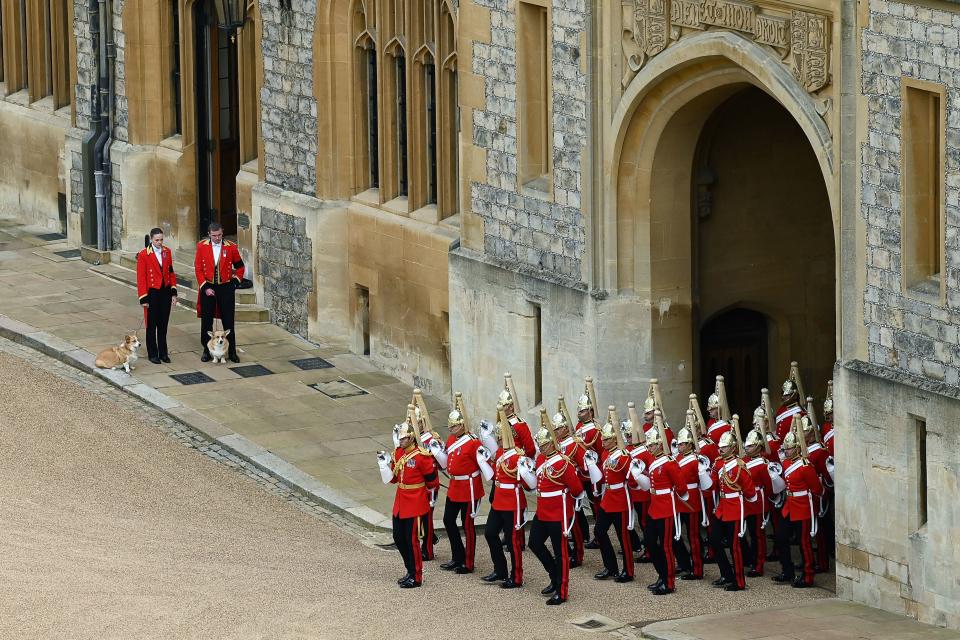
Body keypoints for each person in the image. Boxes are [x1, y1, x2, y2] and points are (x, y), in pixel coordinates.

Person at [518, 413, 585, 605]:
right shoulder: (540, 460)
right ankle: (554, 576)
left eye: (545, 445)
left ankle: (562, 590)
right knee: (535, 543)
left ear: (552, 443)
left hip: (558, 511)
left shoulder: (563, 462)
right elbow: (533, 486)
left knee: (560, 552)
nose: (542, 448)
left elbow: (577, 489)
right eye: (540, 445)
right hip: (543, 510)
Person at [376, 420, 438, 588]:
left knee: (412, 541)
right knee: (398, 538)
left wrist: (426, 496)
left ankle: (416, 575)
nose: (401, 441)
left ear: (411, 439)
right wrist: (384, 465)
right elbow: (394, 479)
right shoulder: (398, 454)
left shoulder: (421, 456)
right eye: (400, 439)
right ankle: (409, 569)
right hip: (401, 502)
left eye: (403, 439)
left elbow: (433, 482)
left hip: (416, 503)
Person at [586, 413, 643, 583]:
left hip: (621, 499)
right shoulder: (605, 454)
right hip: (608, 497)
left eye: (606, 440)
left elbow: (632, 481)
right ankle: (611, 567)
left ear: (614, 439)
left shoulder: (624, 456)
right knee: (599, 531)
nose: (602, 442)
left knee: (623, 537)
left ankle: (628, 571)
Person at [429, 407, 484, 574]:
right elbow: (447, 462)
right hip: (455, 486)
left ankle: (468, 562)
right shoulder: (453, 439)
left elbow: (482, 464)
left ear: (462, 425)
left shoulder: (473, 442)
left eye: (453, 426)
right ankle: (457, 556)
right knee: (448, 520)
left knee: (467, 525)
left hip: (469, 487)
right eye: (450, 427)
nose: (451, 429)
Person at [478, 411, 530, 588]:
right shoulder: (501, 452)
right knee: (490, 533)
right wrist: (484, 462)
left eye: (499, 437)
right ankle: (500, 569)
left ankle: (516, 577)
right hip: (500, 500)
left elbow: (529, 484)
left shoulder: (517, 456)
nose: (497, 440)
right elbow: (495, 476)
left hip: (513, 502)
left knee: (512, 541)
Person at [772, 420, 823, 588]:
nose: (786, 452)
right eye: (785, 449)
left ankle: (808, 576)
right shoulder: (787, 463)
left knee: (804, 543)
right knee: (781, 537)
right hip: (790, 505)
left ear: (797, 448)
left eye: (789, 449)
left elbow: (817, 488)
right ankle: (788, 571)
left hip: (802, 506)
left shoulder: (805, 466)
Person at [644, 411, 690, 595]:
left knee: (666, 546)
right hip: (655, 506)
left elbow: (682, 487)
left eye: (653, 445)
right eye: (649, 445)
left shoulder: (669, 462)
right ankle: (662, 575)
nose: (650, 448)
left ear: (660, 444)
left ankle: (669, 582)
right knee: (649, 542)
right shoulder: (653, 460)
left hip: (666, 508)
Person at [709, 430, 758, 591]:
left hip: (735, 508)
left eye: (724, 447)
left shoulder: (739, 467)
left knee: (734, 546)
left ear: (732, 448)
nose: (721, 449)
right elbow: (713, 486)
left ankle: (739, 581)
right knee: (714, 540)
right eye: (720, 447)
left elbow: (751, 493)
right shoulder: (719, 464)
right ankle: (726, 574)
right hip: (722, 507)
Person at [195, 222, 244, 363]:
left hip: (225, 288)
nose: (217, 238)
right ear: (209, 234)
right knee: (206, 322)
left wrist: (235, 282)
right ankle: (206, 350)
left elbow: (240, 267)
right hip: (208, 287)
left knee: (228, 321)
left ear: (223, 233)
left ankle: (232, 352)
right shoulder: (201, 246)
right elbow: (198, 269)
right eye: (215, 236)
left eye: (220, 235)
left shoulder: (231, 247)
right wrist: (205, 287)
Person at [673, 415, 713, 581]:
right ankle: (683, 563)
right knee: (674, 535)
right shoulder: (676, 458)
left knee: (693, 537)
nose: (680, 446)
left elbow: (704, 482)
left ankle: (697, 569)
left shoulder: (697, 460)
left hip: (692, 499)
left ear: (690, 444)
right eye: (679, 444)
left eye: (683, 444)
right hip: (678, 499)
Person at [742, 415, 782, 577]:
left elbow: (769, 486)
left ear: (758, 447)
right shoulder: (744, 460)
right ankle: (751, 559)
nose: (747, 448)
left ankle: (758, 564)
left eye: (751, 446)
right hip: (746, 499)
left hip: (759, 501)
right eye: (747, 445)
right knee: (749, 532)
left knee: (758, 535)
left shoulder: (764, 464)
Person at [137, 228, 177, 364]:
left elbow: (171, 272)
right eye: (157, 240)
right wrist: (143, 298)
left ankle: (163, 353)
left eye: (161, 239)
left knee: (163, 325)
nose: (159, 242)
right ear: (151, 239)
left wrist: (173, 292)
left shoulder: (167, 252)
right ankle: (152, 353)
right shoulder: (143, 255)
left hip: (165, 292)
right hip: (152, 293)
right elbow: (141, 278)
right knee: (151, 325)